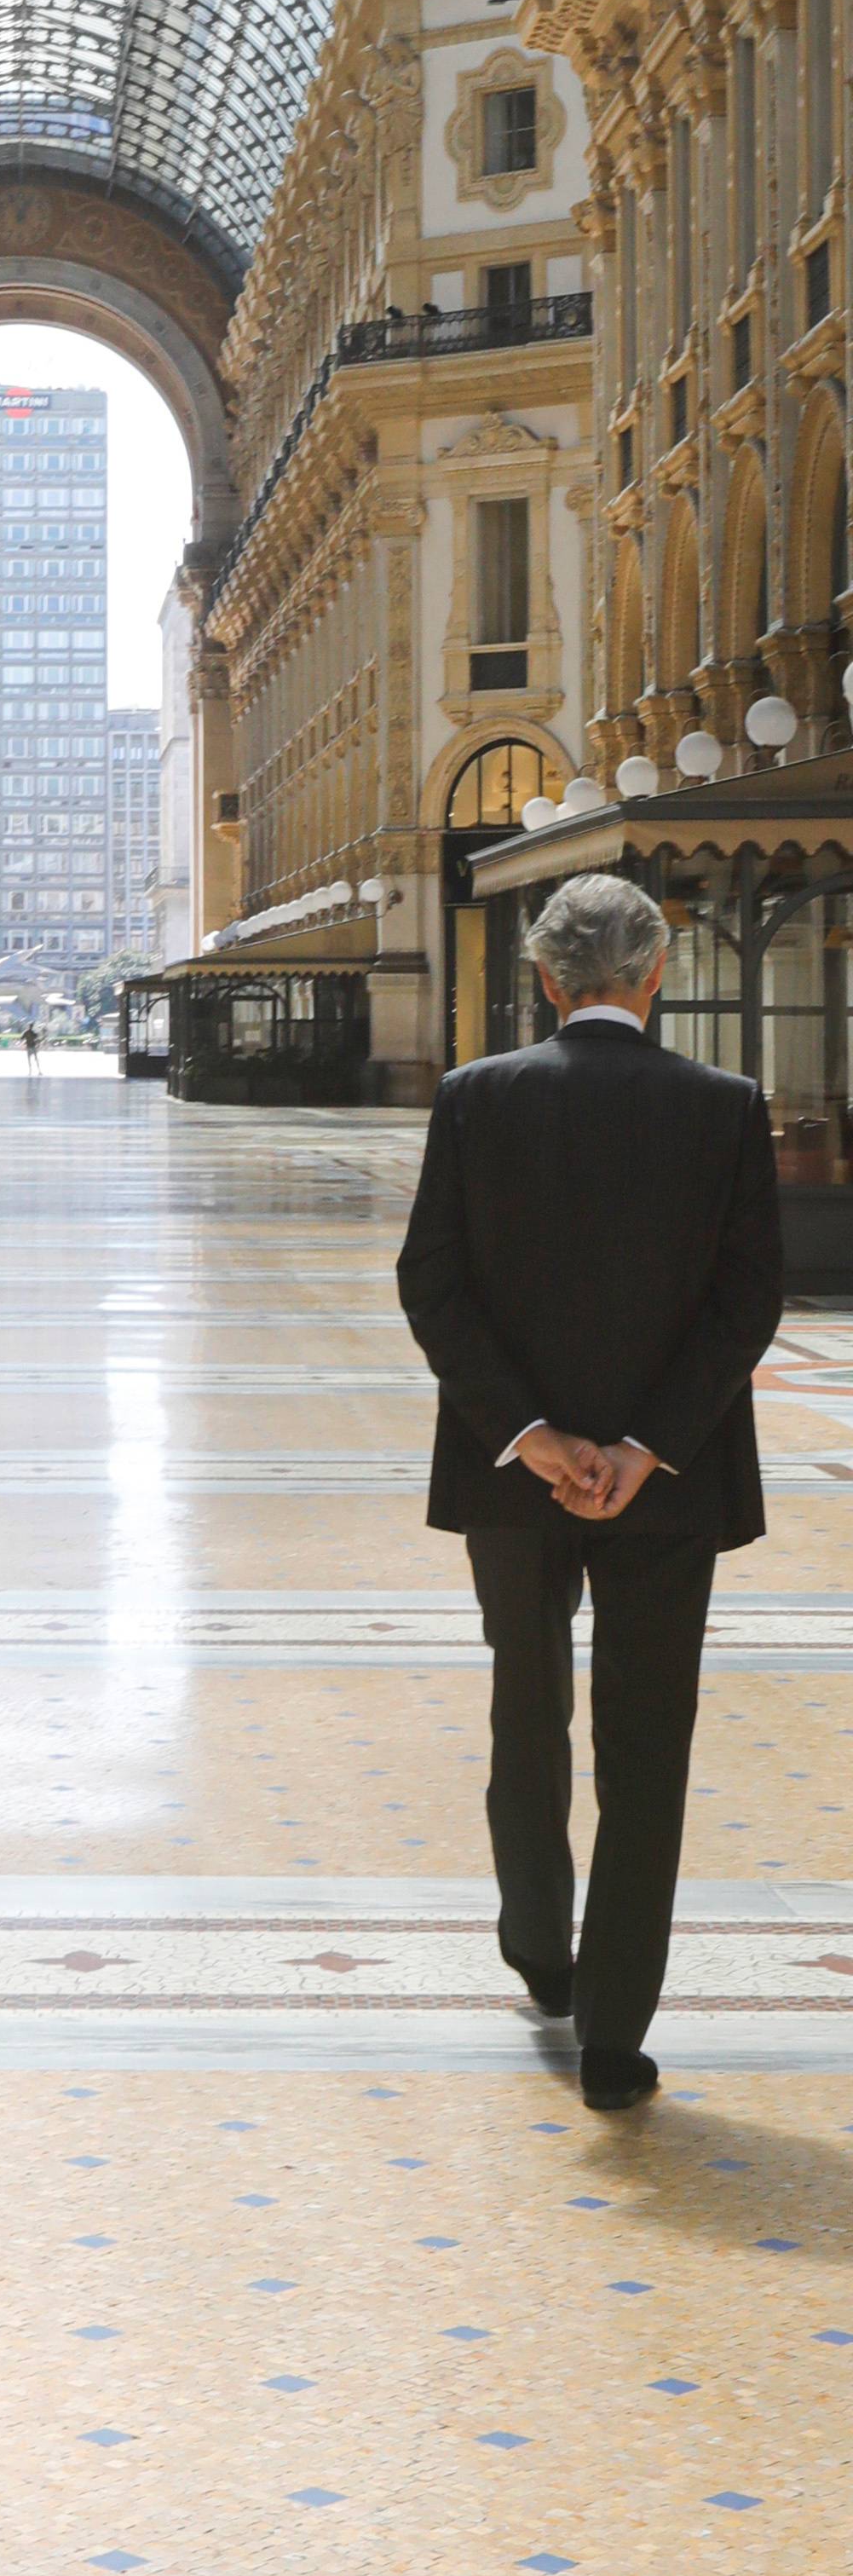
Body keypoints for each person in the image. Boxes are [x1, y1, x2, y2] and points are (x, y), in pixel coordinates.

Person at [396, 870, 781, 2113]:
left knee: (528, 1701)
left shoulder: (475, 1098)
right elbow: (747, 1303)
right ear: (655, 974)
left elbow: (432, 1285)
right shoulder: (727, 1106)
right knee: (648, 1741)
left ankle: (538, 1950)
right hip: (667, 1485)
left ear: (546, 980)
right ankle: (615, 2033)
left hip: (517, 1481)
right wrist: (643, 1446)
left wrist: (533, 1435)